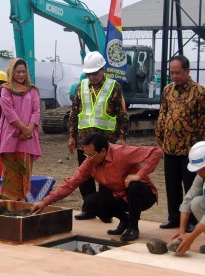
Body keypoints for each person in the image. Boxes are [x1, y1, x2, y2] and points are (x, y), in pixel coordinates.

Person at [31, 132, 162, 241]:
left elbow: (156, 151)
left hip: (142, 196)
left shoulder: (122, 152)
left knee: (134, 185)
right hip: (119, 197)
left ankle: (133, 227)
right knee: (91, 202)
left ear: (103, 151)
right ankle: (125, 220)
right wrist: (44, 202)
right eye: (85, 154)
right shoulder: (89, 163)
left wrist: (139, 175)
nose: (88, 158)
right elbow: (70, 184)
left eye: (91, 155)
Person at [67, 51, 129, 222]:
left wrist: (122, 137)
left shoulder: (114, 86)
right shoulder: (81, 86)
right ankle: (89, 208)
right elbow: (74, 113)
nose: (92, 76)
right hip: (84, 141)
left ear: (103, 69)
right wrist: (71, 136)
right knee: (84, 176)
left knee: (105, 179)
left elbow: (122, 114)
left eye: (95, 73)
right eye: (89, 73)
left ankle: (105, 211)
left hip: (105, 142)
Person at [155, 55, 205, 232]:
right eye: (172, 73)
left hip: (190, 150)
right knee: (172, 186)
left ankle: (192, 220)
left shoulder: (200, 92)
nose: (174, 76)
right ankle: (173, 217)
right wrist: (160, 138)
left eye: (178, 72)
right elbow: (163, 114)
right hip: (170, 147)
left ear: (188, 71)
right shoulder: (167, 91)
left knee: (191, 187)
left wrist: (202, 147)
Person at [0, 58, 41, 200]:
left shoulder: (33, 91)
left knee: (25, 171)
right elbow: (8, 112)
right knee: (10, 173)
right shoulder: (6, 90)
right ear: (12, 73)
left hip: (28, 138)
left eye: (23, 72)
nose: (21, 74)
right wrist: (24, 129)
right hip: (10, 137)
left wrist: (29, 129)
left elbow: (36, 111)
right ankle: (10, 203)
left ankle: (21, 202)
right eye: (18, 71)